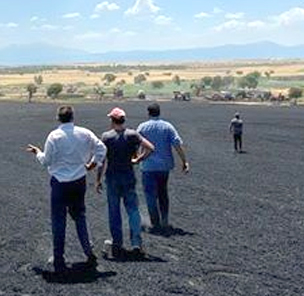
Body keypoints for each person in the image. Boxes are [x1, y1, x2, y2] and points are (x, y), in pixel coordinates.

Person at [26, 105, 106, 273]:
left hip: (60, 183)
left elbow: (46, 161)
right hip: (79, 181)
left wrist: (37, 152)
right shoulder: (85, 133)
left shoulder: (54, 136)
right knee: (80, 217)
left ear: (58, 118)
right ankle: (89, 252)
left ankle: (59, 257)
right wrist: (92, 164)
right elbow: (102, 149)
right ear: (72, 117)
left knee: (58, 220)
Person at [95, 107, 154, 258]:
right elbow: (150, 148)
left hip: (112, 178)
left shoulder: (106, 137)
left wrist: (98, 179)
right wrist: (138, 159)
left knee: (114, 212)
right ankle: (136, 243)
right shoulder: (132, 135)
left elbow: (102, 160)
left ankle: (117, 243)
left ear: (112, 120)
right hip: (128, 175)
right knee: (133, 210)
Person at [136, 102, 189, 232]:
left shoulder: (142, 127)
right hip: (164, 166)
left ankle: (155, 222)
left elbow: (135, 144)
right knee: (163, 193)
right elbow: (177, 144)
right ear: (159, 112)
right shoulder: (168, 126)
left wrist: (135, 158)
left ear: (148, 113)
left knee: (150, 195)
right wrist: (184, 161)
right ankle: (164, 220)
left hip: (148, 166)